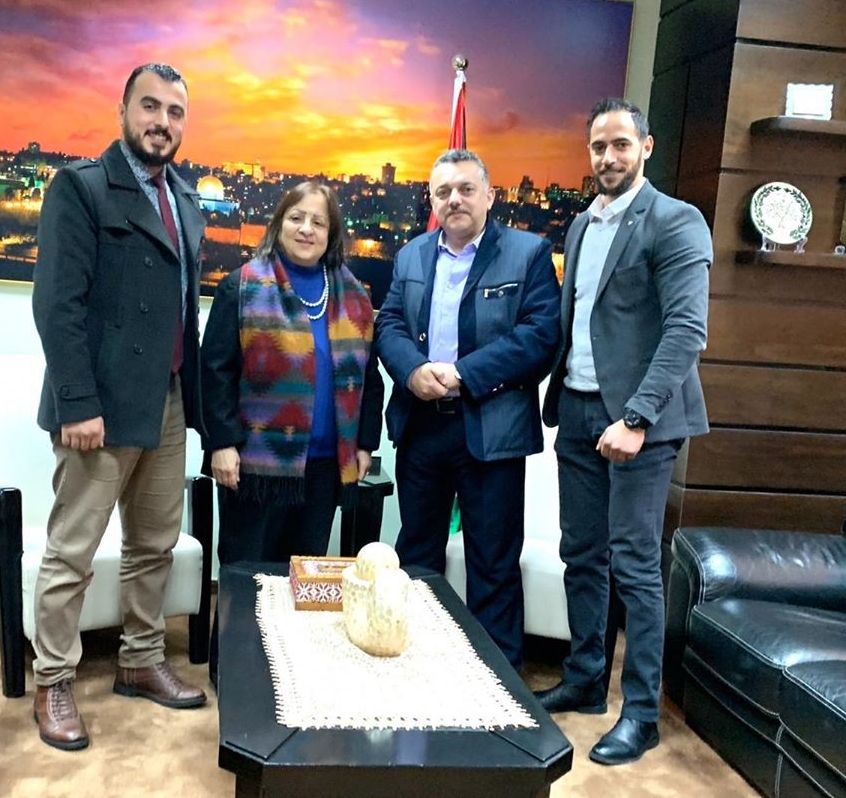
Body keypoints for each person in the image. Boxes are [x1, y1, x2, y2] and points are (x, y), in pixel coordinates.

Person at [31, 63, 207, 751]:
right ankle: (53, 679)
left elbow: (182, 311)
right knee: (73, 551)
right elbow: (58, 305)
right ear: (124, 111)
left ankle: (140, 658)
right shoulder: (81, 187)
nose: (162, 122)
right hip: (97, 405)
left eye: (175, 112)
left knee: (154, 544)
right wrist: (76, 402)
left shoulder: (185, 199)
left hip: (166, 398)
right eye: (150, 107)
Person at [536, 98, 713, 766]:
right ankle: (585, 680)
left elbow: (686, 331)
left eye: (619, 144)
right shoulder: (583, 223)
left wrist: (636, 418)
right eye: (597, 147)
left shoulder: (675, 220)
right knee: (582, 553)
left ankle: (641, 713)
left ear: (646, 146)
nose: (607, 157)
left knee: (636, 566)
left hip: (641, 422)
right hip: (579, 410)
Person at [375, 148, 560, 669]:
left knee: (493, 560)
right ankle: (414, 664)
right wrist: (413, 371)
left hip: (491, 429)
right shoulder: (411, 255)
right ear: (432, 200)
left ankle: (497, 677)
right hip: (422, 427)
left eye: (465, 189)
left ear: (489, 195)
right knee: (417, 554)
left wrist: (462, 374)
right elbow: (389, 323)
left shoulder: (528, 253)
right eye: (443, 192)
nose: (453, 199)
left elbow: (540, 335)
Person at [200, 181, 383, 680]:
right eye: (296, 218)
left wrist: (365, 443)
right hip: (255, 465)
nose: (306, 229)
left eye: (318, 221)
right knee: (247, 569)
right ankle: (235, 672)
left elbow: (369, 378)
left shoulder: (354, 297)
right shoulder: (242, 286)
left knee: (303, 575)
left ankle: (287, 671)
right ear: (279, 223)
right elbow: (214, 372)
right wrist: (221, 444)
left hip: (324, 467)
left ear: (332, 233)